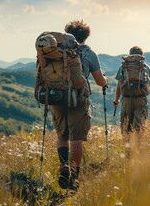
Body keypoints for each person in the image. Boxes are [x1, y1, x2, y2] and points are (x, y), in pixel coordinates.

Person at [50, 20, 108, 191]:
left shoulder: (55, 50)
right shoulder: (89, 53)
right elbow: (99, 81)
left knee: (62, 135)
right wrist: (106, 80)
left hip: (57, 98)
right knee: (77, 138)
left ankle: (63, 168)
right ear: (86, 36)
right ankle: (74, 178)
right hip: (78, 100)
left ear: (66, 33)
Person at [112, 46, 150, 151]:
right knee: (140, 124)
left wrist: (116, 99)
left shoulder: (124, 67)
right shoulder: (145, 67)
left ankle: (127, 150)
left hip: (126, 99)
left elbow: (119, 85)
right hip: (141, 99)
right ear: (141, 55)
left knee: (126, 124)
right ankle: (139, 148)